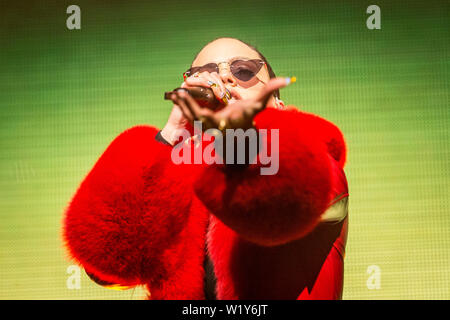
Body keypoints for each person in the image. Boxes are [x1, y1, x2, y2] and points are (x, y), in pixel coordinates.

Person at [63, 37, 349, 300]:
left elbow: (287, 195)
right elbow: (107, 262)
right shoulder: (180, 186)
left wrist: (242, 135)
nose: (222, 79)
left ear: (278, 104)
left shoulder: (316, 160)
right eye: (204, 75)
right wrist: (171, 133)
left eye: (244, 72)